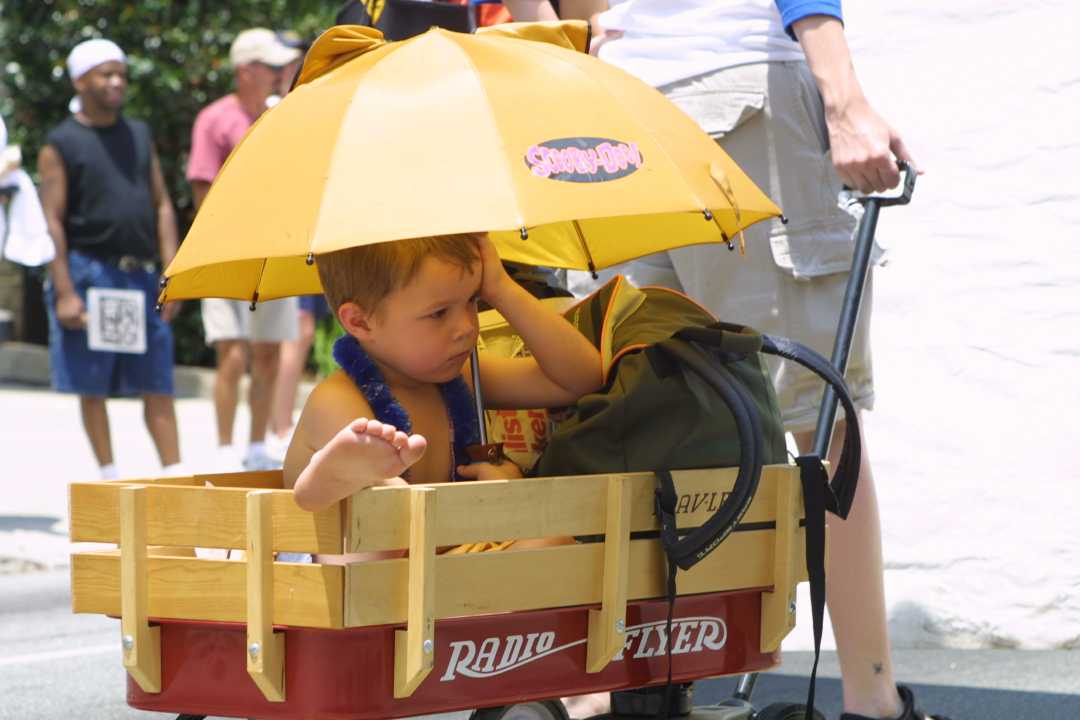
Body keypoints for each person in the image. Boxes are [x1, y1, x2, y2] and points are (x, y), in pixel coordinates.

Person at [509, 2, 937, 719]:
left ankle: (605, 691)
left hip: (613, 111)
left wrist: (567, 48)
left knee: (627, 412)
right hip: (735, 83)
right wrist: (844, 100)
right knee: (820, 420)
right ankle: (872, 700)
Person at [283, 232, 601, 516]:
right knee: (378, 495)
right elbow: (393, 524)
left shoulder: (462, 375)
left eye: (472, 300)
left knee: (551, 543)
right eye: (438, 313)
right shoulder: (337, 401)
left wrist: (502, 289)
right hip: (370, 556)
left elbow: (580, 380)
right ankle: (328, 480)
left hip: (440, 553)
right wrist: (488, 506)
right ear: (360, 322)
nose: (467, 327)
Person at [37, 39, 184, 480]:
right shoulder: (60, 143)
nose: (117, 81)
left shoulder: (138, 134)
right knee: (93, 382)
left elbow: (161, 204)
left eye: (121, 73)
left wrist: (174, 272)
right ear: (80, 81)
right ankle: (109, 476)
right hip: (90, 274)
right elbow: (51, 220)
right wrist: (65, 291)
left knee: (157, 380)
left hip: (142, 276)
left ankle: (176, 475)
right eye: (106, 74)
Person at [187, 28, 302, 471]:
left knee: (269, 351)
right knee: (231, 352)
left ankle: (256, 444)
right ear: (244, 71)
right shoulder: (213, 118)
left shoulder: (282, 116)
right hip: (226, 252)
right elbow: (202, 190)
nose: (279, 74)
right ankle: (223, 445)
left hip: (274, 249)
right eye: (271, 67)